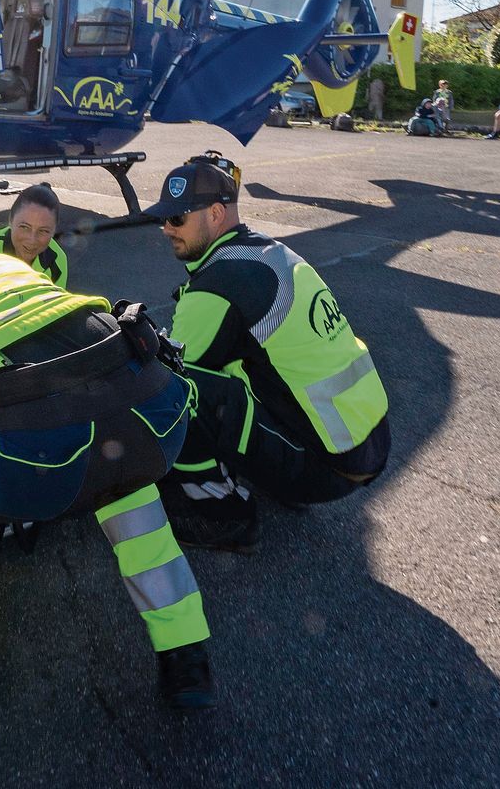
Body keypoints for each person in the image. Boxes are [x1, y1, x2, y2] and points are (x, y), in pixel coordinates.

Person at [0, 223, 215, 710]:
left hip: (31, 455)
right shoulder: (6, 265)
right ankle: (187, 657)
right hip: (151, 416)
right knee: (124, 483)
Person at [147, 152, 391, 552]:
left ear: (214, 214)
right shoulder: (268, 252)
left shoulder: (219, 282)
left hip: (329, 466)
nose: (165, 229)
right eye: (164, 218)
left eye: (176, 219)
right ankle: (276, 463)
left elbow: (176, 367)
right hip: (369, 443)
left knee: (170, 391)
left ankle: (221, 514)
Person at [0, 183, 70, 287]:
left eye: (43, 231)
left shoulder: (57, 261)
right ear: (11, 220)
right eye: (24, 227)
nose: (32, 239)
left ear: (54, 230)